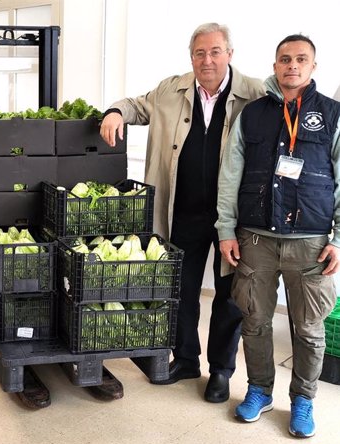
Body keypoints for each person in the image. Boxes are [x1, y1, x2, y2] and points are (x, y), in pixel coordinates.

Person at [99, 23, 265, 402]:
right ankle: (186, 359)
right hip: (183, 211)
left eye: (215, 52)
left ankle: (221, 372)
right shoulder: (169, 90)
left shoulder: (255, 93)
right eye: (199, 53)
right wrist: (113, 112)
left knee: (230, 296)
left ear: (229, 54)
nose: (207, 60)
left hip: (234, 218)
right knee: (182, 290)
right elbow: (136, 105)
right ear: (191, 57)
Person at [217, 34, 340, 438]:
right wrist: (226, 230)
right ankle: (259, 391)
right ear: (275, 65)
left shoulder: (333, 115)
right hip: (255, 237)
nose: (292, 66)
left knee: (308, 328)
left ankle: (303, 400)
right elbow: (230, 174)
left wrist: (338, 239)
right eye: (285, 59)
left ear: (313, 67)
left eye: (301, 59)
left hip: (312, 241)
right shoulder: (252, 114)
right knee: (254, 321)